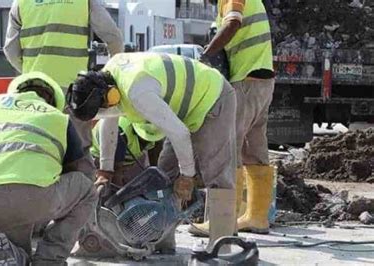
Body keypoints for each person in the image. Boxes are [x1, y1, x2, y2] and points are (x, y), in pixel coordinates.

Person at [66, 52, 237, 251]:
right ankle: (163, 242)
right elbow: (109, 120)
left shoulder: (137, 92)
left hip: (212, 97)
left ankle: (222, 247)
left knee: (216, 173)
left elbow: (179, 134)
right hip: (182, 112)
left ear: (109, 95)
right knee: (163, 177)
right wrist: (105, 170)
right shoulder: (108, 78)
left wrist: (188, 176)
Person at [0, 72, 97, 265]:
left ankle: (11, 253)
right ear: (52, 100)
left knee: (15, 250)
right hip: (37, 197)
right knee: (87, 190)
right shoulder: (59, 118)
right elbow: (72, 170)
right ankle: (49, 259)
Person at [4, 0, 124, 160]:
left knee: (37, 149)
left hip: (35, 91)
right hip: (75, 93)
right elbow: (114, 37)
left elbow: (10, 50)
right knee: (78, 153)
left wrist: (30, 72)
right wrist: (108, 74)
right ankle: (82, 184)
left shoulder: (21, 2)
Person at [195, 0, 276, 235]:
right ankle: (257, 217)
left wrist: (206, 54)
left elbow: (232, 24)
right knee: (254, 149)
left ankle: (222, 221)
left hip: (245, 79)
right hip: (262, 79)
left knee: (228, 148)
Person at [90, 117, 154, 186]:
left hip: (129, 159)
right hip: (103, 159)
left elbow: (154, 154)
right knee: (110, 189)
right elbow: (116, 172)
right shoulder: (120, 133)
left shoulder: (155, 128)